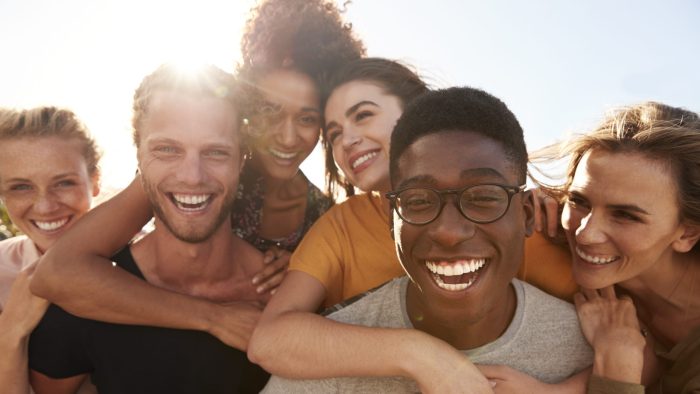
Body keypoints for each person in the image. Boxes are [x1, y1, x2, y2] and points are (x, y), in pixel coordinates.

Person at [29, 0, 363, 344]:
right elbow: (56, 272)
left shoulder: (323, 216)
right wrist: (212, 319)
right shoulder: (199, 171)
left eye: (307, 118)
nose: (288, 136)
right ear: (246, 110)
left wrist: (300, 272)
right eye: (270, 110)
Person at [247, 58, 578, 385]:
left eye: (363, 116)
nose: (346, 140)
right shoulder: (342, 226)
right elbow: (271, 339)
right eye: (333, 134)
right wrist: (420, 355)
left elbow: (616, 332)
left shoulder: (518, 222)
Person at [28, 64, 270, 393]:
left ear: (242, 160)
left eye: (215, 152)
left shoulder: (285, 296)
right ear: (139, 158)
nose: (192, 175)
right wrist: (215, 318)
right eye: (167, 149)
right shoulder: (80, 306)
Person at [532, 102, 700, 393]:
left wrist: (617, 368)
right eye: (579, 201)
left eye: (625, 216)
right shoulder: (553, 231)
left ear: (687, 233)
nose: (585, 234)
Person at [0, 107, 100, 393]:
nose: (45, 206)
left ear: (94, 181)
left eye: (64, 183)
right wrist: (11, 334)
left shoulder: (148, 260)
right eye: (21, 187)